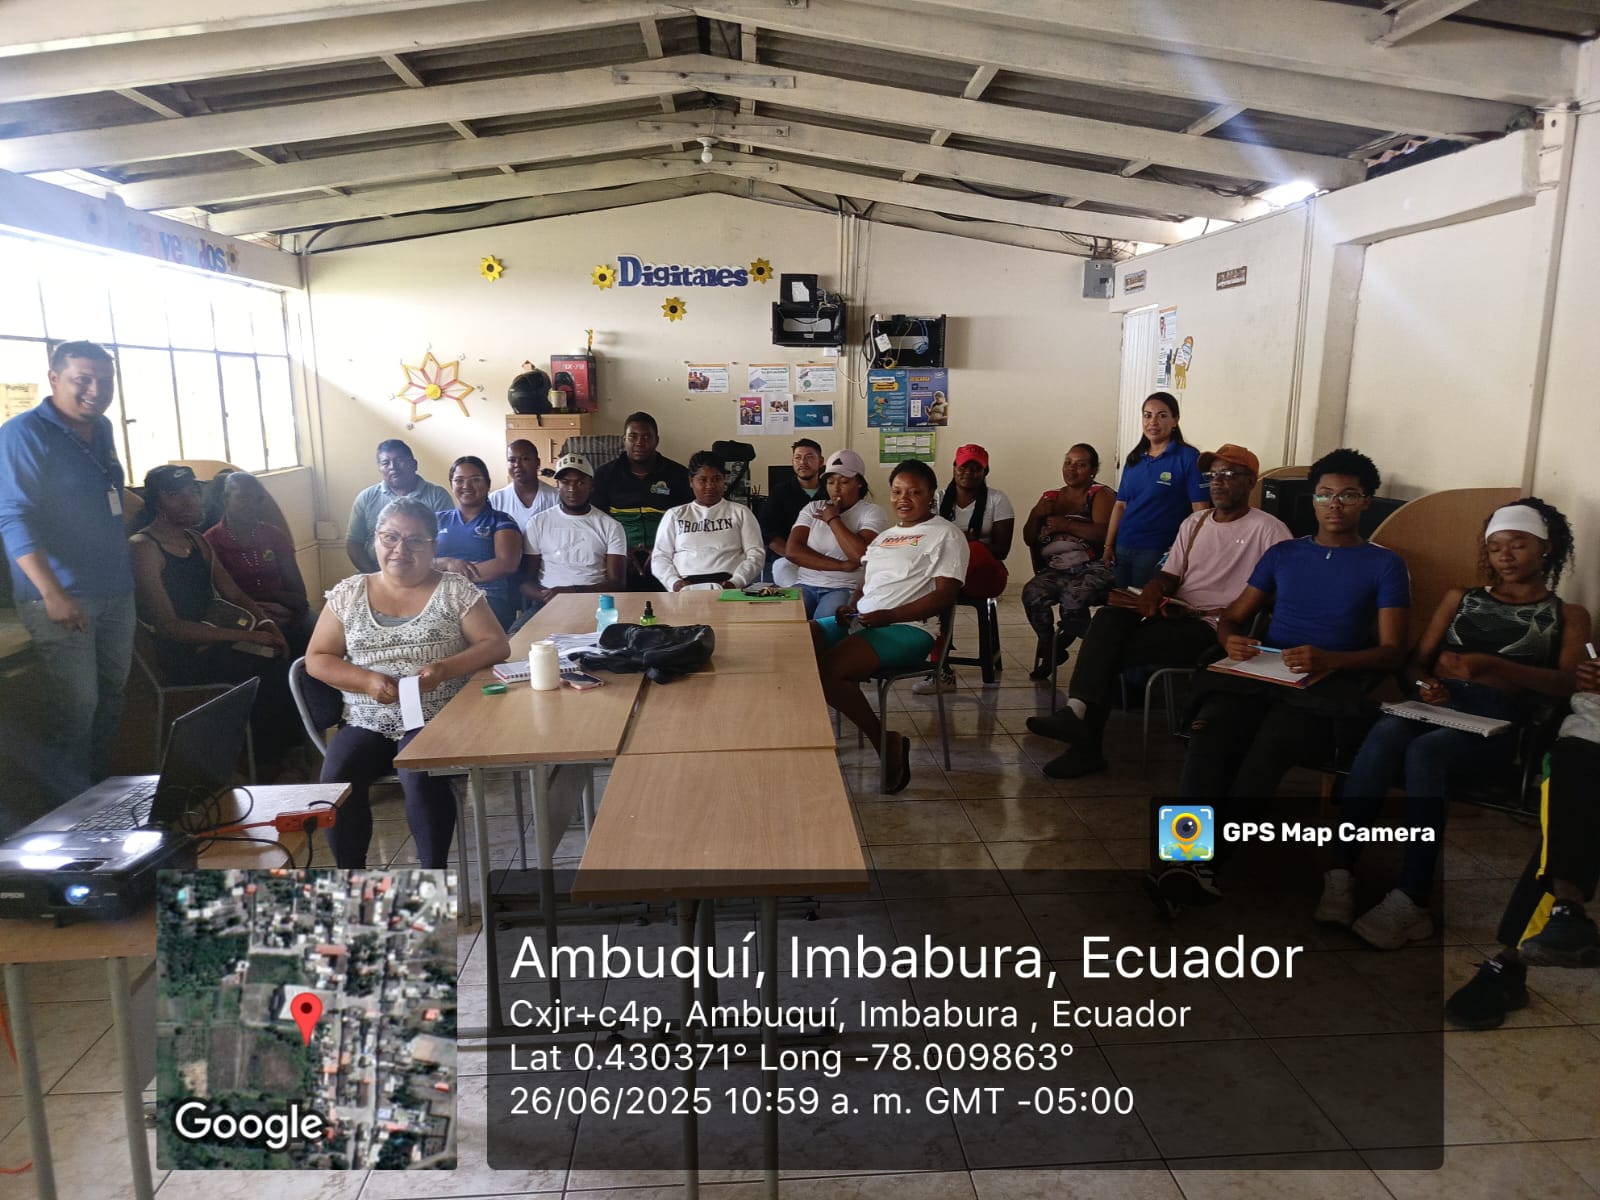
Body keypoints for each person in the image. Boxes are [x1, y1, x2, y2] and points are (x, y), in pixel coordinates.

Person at [1153, 448, 1409, 914]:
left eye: (1348, 496)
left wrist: (1330, 658)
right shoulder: (1284, 553)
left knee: (1268, 748)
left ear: (1366, 502)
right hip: (1262, 672)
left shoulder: (1384, 564)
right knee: (1209, 732)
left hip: (1322, 684)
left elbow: (1392, 651)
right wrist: (1231, 641)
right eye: (1324, 495)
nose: (1334, 505)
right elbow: (1234, 617)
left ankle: (1203, 865)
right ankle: (1182, 857)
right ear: (1313, 499)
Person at [1327, 498, 1588, 949]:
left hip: (1500, 721)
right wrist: (1425, 684)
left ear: (1546, 548)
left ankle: (1413, 898)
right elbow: (1413, 664)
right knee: (1386, 731)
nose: (1505, 556)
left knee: (1425, 751)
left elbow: (1567, 684)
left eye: (1518, 545)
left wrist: (1494, 666)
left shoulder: (1567, 615)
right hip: (1440, 703)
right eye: (1495, 547)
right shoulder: (1460, 598)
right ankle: (1340, 872)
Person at [1028, 444, 1291, 778]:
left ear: (1250, 481)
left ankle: (1084, 740)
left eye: (1229, 474)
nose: (1218, 482)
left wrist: (1242, 612)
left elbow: (1283, 589)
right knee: (1108, 617)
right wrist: (1153, 591)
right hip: (1177, 612)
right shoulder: (1196, 522)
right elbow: (1170, 574)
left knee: (1109, 651)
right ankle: (1077, 714)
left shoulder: (1268, 529)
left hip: (1214, 627)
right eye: (1213, 475)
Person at [307, 497, 509, 869]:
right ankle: (351, 877)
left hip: (438, 715)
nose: (401, 549)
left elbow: (495, 644)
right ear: (375, 541)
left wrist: (444, 669)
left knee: (419, 774)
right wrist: (366, 680)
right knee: (336, 779)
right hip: (368, 718)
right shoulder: (349, 593)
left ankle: (432, 875)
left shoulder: (454, 590)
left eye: (415, 541)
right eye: (390, 537)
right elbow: (318, 658)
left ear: (433, 547)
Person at [0, 340, 136, 817]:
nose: (96, 390)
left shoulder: (101, 429)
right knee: (76, 708)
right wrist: (51, 593)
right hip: (60, 596)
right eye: (83, 380)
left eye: (105, 381)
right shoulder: (22, 434)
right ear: (54, 378)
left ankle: (98, 798)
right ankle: (70, 815)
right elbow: (13, 517)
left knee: (112, 698)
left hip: (116, 590)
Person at [1445, 656, 1600, 1028]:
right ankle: (1564, 914)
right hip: (1588, 738)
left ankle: (1514, 958)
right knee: (1570, 774)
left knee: (1578, 815)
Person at [811, 459, 969, 793]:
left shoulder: (945, 534)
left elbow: (945, 595)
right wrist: (851, 605)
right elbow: (867, 581)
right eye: (897, 492)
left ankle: (884, 742)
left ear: (931, 495)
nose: (903, 499)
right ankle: (803, 736)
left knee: (829, 671)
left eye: (914, 492)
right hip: (866, 622)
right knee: (800, 639)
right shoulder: (885, 537)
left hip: (910, 628)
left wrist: (890, 616)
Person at [128, 465, 299, 773]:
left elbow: (234, 593)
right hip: (179, 655)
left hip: (215, 640)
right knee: (263, 675)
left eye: (193, 492)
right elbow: (170, 626)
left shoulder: (197, 541)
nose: (190, 501)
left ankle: (281, 756)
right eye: (176, 495)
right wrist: (248, 636)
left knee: (282, 662)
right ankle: (261, 765)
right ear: (156, 501)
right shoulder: (144, 548)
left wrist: (266, 624)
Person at [914, 443, 1016, 693]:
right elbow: (923, 539)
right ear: (954, 468)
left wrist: (965, 542)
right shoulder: (937, 498)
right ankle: (939, 665)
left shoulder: (997, 500)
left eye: (975, 468)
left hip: (983, 575)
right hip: (946, 573)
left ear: (985, 471)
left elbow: (1002, 550)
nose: (968, 473)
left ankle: (938, 666)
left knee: (970, 555)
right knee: (934, 585)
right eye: (963, 467)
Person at [1019, 444, 1117, 679]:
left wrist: (1066, 525)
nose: (1071, 469)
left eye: (1080, 465)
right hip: (1057, 569)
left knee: (1073, 597)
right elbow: (1029, 538)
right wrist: (1036, 513)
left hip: (1095, 567)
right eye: (1068, 463)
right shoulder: (1051, 497)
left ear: (1093, 470)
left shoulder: (1100, 495)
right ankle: (1049, 646)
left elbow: (1105, 534)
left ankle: (1072, 645)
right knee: (1032, 594)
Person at [1102, 391, 1209, 588]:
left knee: (1145, 603)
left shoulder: (1188, 458)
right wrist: (1108, 545)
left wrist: (1182, 549)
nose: (1153, 422)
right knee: (1120, 603)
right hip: (1123, 547)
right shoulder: (1135, 459)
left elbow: (1200, 512)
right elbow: (1120, 505)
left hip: (1158, 550)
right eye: (1147, 415)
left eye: (1162, 415)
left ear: (1175, 420)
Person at [203, 470, 315, 655]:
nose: (252, 505)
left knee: (322, 640)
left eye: (258, 499)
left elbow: (298, 594)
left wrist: (289, 613)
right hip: (241, 619)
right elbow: (221, 598)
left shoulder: (274, 535)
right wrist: (272, 600)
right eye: (244, 498)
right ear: (225, 499)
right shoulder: (210, 542)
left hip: (285, 611)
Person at [590, 411, 692, 590]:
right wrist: (619, 552)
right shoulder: (604, 475)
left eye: (646, 437)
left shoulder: (678, 474)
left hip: (668, 558)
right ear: (624, 440)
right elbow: (596, 522)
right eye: (633, 436)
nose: (639, 442)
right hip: (619, 557)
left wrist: (661, 553)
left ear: (656, 440)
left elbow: (687, 521)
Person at [785, 449, 888, 619]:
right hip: (805, 584)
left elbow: (859, 555)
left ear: (859, 483)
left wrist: (833, 519)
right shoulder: (813, 508)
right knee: (782, 620)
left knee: (824, 624)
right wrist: (841, 565)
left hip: (844, 587)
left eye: (844, 482)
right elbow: (793, 551)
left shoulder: (872, 512)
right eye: (830, 482)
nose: (836, 489)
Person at [521, 453, 628, 605]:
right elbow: (526, 582)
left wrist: (574, 592)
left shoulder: (611, 526)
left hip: (595, 604)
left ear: (591, 485)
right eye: (565, 482)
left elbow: (617, 584)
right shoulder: (537, 523)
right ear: (557, 485)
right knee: (523, 622)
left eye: (580, 482)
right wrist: (548, 597)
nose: (572, 489)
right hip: (548, 603)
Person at [651, 451, 765, 592]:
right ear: (691, 481)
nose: (710, 486)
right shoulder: (674, 515)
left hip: (730, 586)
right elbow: (660, 557)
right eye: (702, 480)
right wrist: (675, 583)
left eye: (716, 479)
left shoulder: (741, 512)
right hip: (685, 587)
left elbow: (756, 554)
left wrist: (736, 582)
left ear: (724, 480)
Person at [433, 455, 524, 630]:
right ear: (451, 484)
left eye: (475, 479)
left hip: (487, 599)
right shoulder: (436, 520)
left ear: (488, 484)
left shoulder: (501, 520)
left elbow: (506, 564)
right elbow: (419, 562)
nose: (466, 486)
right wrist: (446, 563)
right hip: (438, 597)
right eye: (459, 480)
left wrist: (453, 577)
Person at [346, 439, 452, 573]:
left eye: (400, 460)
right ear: (380, 469)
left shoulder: (437, 496)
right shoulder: (366, 497)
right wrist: (377, 576)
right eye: (386, 463)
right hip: (374, 571)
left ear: (414, 464)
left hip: (424, 573)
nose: (393, 467)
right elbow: (354, 542)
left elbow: (446, 541)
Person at [761, 438, 826, 585]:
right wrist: (794, 555)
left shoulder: (830, 492)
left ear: (821, 461)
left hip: (826, 559)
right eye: (798, 458)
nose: (803, 462)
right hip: (788, 560)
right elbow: (768, 532)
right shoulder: (780, 492)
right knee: (798, 591)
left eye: (809, 457)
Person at [489, 439, 559, 529]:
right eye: (512, 460)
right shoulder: (496, 499)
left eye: (525, 459)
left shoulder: (555, 498)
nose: (517, 464)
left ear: (537, 463)